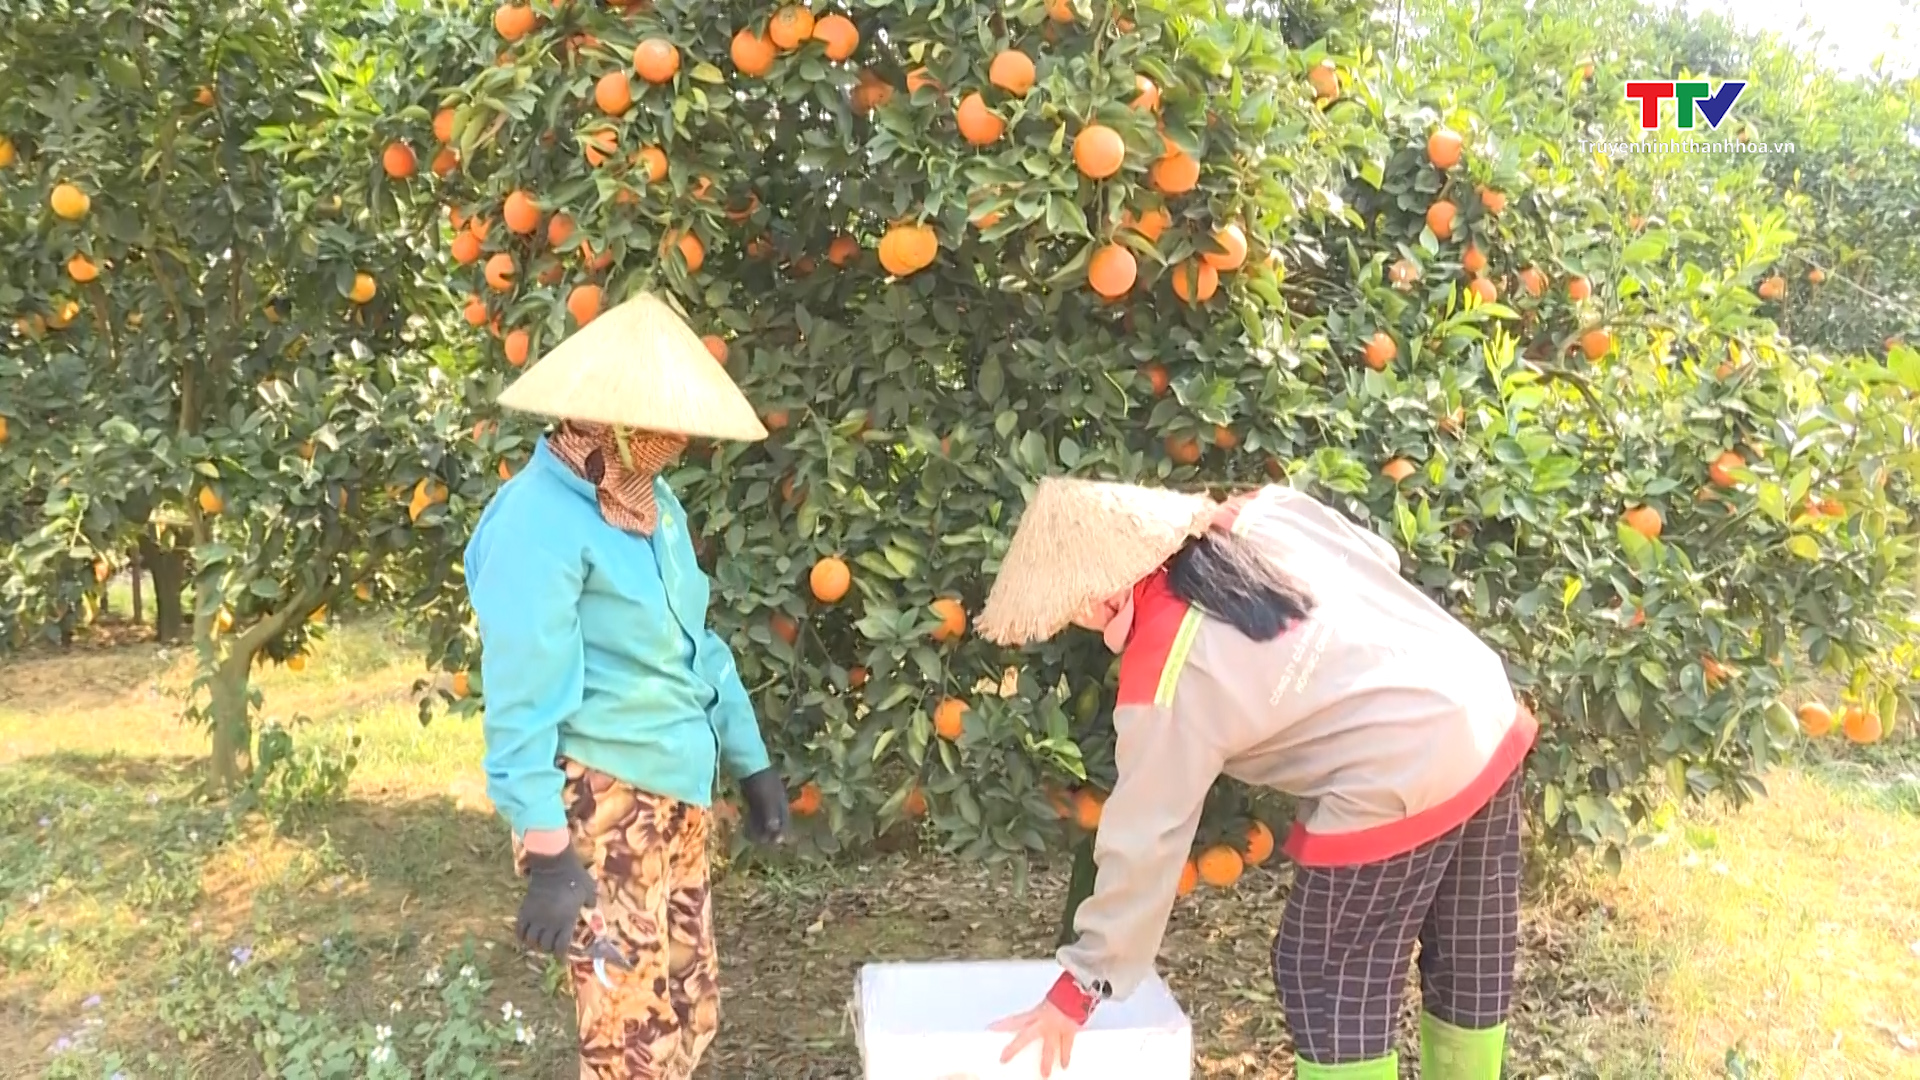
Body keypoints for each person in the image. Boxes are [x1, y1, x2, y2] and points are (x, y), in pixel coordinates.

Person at [978, 477, 1535, 1080]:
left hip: (1401, 762)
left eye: (1076, 600)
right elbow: (1381, 558)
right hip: (1479, 696)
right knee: (1467, 944)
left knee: (1325, 972)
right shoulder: (1263, 513)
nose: (1083, 614)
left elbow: (1146, 838)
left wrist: (1079, 988)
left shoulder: (1165, 675)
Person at [463, 292, 792, 1080]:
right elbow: (519, 701)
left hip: (674, 800)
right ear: (602, 421)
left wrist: (751, 763)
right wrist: (548, 854)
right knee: (628, 1047)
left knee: (690, 1010)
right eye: (657, 422)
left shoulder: (652, 506)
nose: (675, 440)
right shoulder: (536, 521)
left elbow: (697, 643)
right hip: (601, 811)